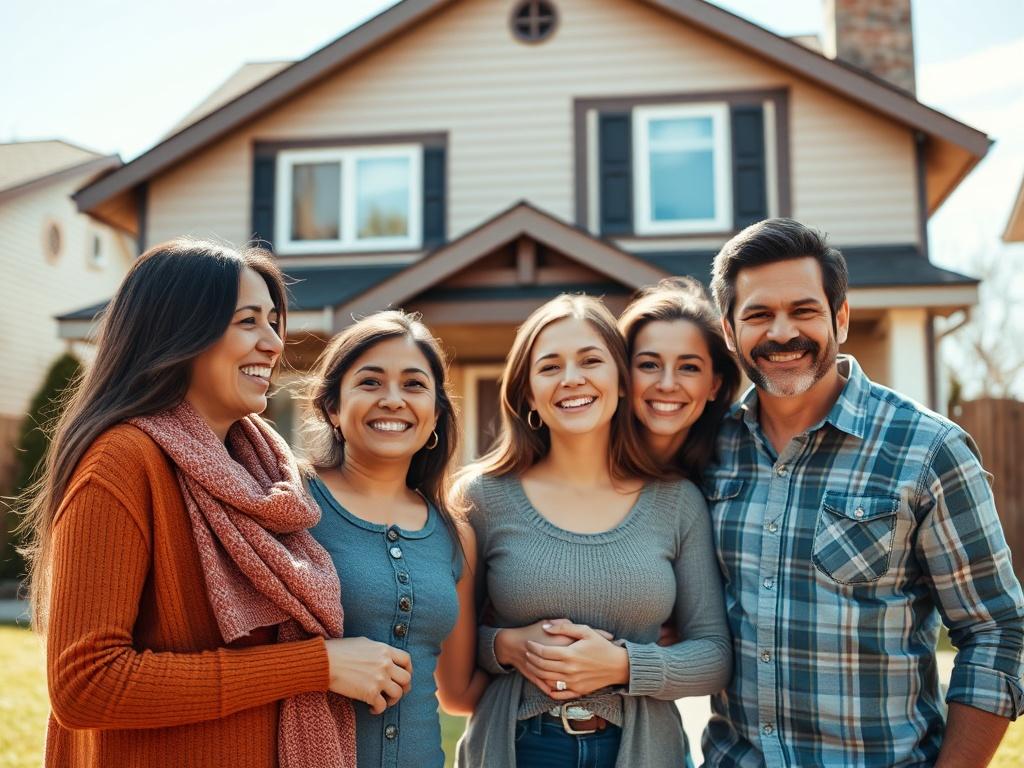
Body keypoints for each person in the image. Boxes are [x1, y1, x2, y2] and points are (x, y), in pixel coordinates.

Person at [21, 239, 412, 768]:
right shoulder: (123, 462)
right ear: (179, 331)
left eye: (274, 321)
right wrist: (314, 665)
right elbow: (86, 684)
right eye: (247, 321)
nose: (274, 342)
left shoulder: (265, 472)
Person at [702, 217, 1024, 767]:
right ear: (731, 333)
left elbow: (995, 629)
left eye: (804, 310)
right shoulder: (710, 451)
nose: (782, 333)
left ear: (841, 318)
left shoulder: (927, 450)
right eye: (758, 314)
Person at [456, 294, 732, 768]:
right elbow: (453, 669)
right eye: (549, 367)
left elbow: (714, 656)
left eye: (590, 360)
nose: (572, 379)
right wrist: (504, 645)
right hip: (517, 746)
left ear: (621, 383)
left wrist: (624, 664)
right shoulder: (480, 497)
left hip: (643, 748)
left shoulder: (678, 501)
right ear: (526, 394)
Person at [302, 310, 488, 768]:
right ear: (333, 408)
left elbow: (460, 693)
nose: (392, 399)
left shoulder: (454, 533)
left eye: (413, 384)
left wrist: (518, 646)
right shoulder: (291, 503)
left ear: (436, 414)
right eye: (369, 382)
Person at [617, 276, 741, 480]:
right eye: (649, 365)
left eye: (688, 367)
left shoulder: (720, 475)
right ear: (623, 374)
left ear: (714, 385)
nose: (667, 385)